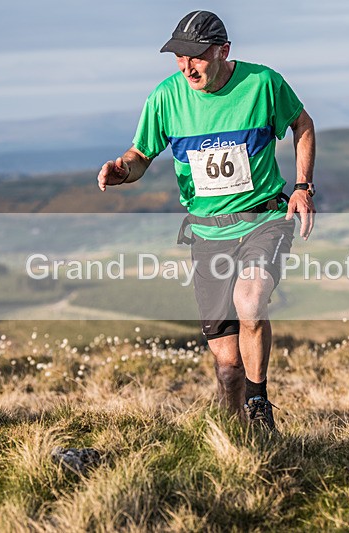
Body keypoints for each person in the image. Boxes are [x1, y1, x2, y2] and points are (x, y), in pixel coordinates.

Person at [97, 11, 316, 431]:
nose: (187, 67)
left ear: (223, 51)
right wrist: (123, 170)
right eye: (179, 58)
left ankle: (258, 406)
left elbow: (302, 125)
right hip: (206, 232)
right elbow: (141, 154)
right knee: (227, 362)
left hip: (262, 220)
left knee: (250, 302)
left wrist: (304, 187)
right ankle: (231, 431)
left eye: (196, 57)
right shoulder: (166, 97)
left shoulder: (262, 84)